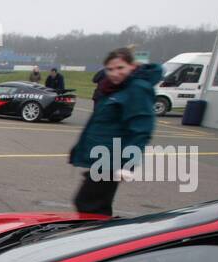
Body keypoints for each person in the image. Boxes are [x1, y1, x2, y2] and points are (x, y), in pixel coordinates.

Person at [68, 47, 162, 216]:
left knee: (88, 204)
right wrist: (79, 149)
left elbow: (141, 129)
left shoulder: (137, 89)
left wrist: (128, 164)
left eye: (120, 68)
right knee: (94, 204)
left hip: (112, 158)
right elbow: (99, 123)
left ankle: (99, 237)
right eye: (110, 69)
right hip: (102, 156)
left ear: (132, 66)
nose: (114, 73)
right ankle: (100, 234)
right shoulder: (113, 88)